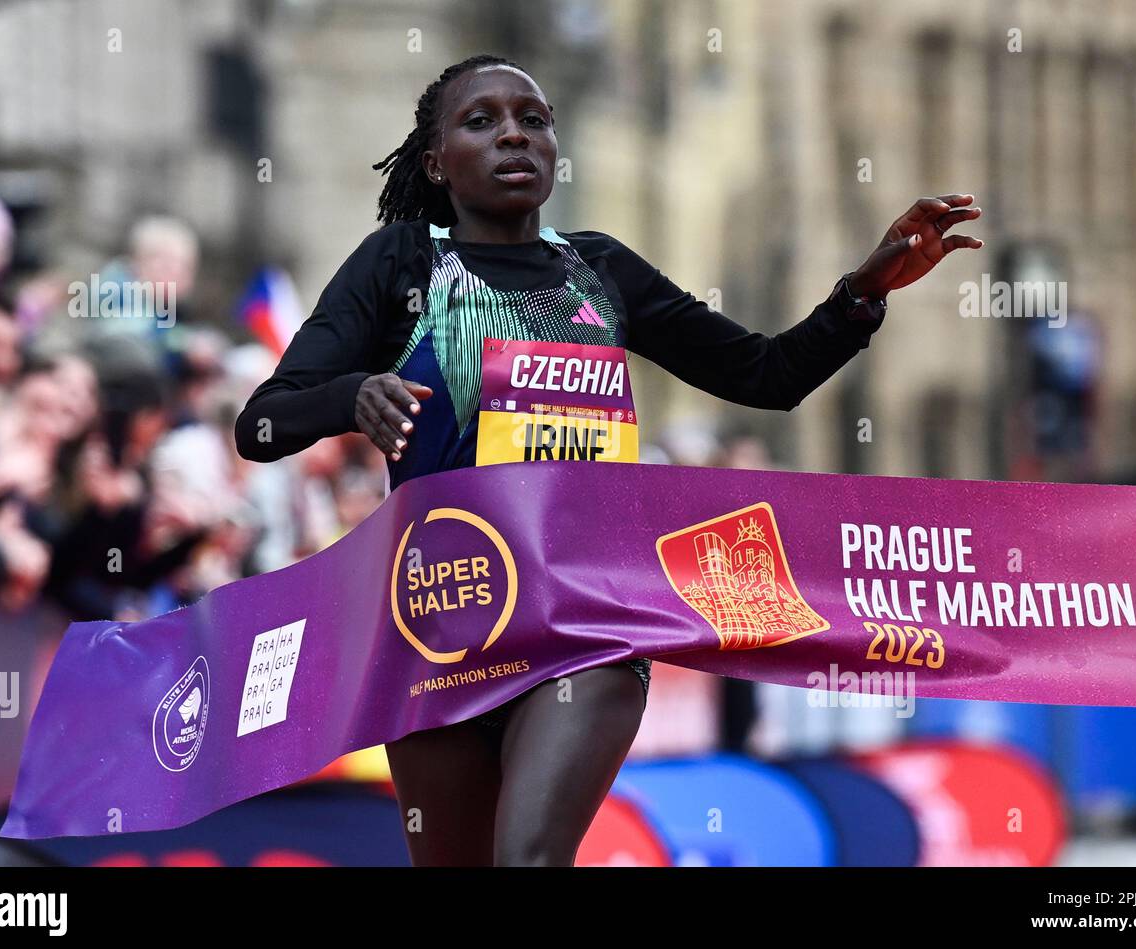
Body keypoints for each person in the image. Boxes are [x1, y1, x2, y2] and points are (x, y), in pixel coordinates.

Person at [234, 54, 983, 866]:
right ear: (435, 161)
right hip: (440, 626)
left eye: (534, 118)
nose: (514, 134)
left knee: (529, 858)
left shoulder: (599, 269)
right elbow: (262, 426)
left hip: (585, 622)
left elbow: (765, 376)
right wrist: (351, 396)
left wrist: (864, 290)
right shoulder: (400, 266)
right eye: (480, 122)